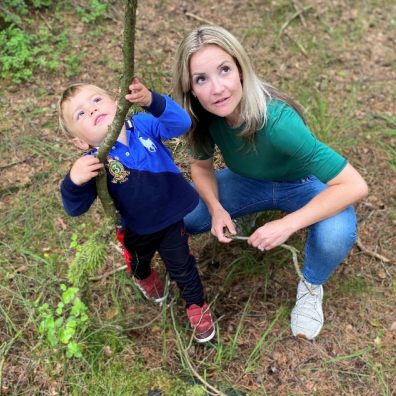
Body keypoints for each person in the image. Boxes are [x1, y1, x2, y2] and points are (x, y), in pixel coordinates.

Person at [172, 25, 368, 340]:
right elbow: (200, 166)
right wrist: (216, 207)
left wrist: (288, 224)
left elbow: (354, 185)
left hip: (303, 184)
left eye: (224, 70)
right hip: (248, 180)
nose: (217, 88)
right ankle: (244, 211)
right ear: (190, 88)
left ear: (240, 69)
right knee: (186, 213)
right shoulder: (202, 117)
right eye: (201, 79)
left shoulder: (277, 122)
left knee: (335, 234)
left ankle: (310, 286)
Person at [58, 78, 215, 343]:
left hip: (170, 219)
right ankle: (145, 277)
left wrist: (153, 101)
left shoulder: (142, 125)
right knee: (139, 262)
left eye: (96, 100)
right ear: (80, 142)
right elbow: (76, 208)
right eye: (81, 114)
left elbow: (181, 124)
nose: (93, 110)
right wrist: (73, 181)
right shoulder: (93, 162)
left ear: (118, 103)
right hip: (134, 228)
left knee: (183, 265)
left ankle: (196, 304)